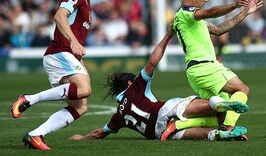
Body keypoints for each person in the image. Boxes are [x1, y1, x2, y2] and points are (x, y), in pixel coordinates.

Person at [69, 25, 249, 142]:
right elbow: (152, 62)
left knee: (200, 133)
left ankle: (217, 134)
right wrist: (167, 36)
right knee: (211, 106)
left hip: (158, 132)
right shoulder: (136, 86)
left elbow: (99, 133)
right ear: (130, 82)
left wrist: (81, 138)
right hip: (165, 109)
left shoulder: (118, 116)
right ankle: (219, 104)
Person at [11, 0, 107, 150]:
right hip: (59, 52)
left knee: (80, 106)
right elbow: (60, 15)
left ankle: (35, 135)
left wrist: (79, 58)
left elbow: (74, 31)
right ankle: (29, 99)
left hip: (67, 55)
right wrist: (73, 41)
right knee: (84, 88)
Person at [171, 0, 263, 139]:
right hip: (205, 66)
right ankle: (229, 128)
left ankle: (178, 125)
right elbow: (211, 12)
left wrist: (245, 12)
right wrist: (234, 4)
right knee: (243, 89)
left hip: (194, 72)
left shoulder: (190, 19)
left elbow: (220, 29)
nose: (206, 0)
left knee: (219, 115)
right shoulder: (186, 13)